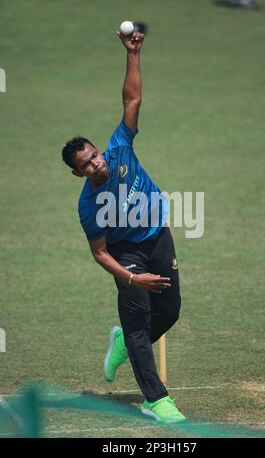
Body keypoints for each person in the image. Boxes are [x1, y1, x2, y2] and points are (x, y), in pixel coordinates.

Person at [61, 29, 186, 424]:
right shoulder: (89, 206)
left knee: (170, 311)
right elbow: (99, 253)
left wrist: (133, 53)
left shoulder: (119, 148)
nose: (96, 163)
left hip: (158, 237)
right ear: (77, 172)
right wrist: (132, 280)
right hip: (126, 256)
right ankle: (156, 399)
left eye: (94, 155)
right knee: (137, 323)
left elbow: (132, 99)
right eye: (86, 164)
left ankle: (120, 345)